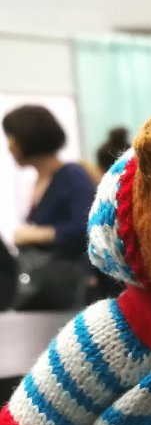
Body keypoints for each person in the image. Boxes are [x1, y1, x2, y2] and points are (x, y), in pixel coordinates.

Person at [3, 105, 96, 310]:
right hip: (47, 284)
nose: (9, 147)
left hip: (66, 285)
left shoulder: (72, 175)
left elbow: (88, 226)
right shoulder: (40, 180)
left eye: (11, 138)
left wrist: (39, 234)